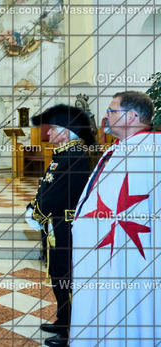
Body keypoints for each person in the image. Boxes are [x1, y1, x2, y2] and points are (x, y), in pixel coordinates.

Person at [70, 91, 161, 346]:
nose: (106, 116)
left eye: (112, 111)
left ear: (131, 116)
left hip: (130, 255)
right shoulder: (121, 149)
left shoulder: (150, 152)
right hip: (108, 254)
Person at [25, 104, 95, 347]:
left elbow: (58, 194)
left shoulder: (74, 157)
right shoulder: (64, 155)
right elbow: (47, 186)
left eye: (53, 129)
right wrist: (34, 205)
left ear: (65, 132)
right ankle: (63, 319)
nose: (48, 133)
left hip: (64, 226)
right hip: (55, 223)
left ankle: (70, 331)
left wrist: (36, 212)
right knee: (57, 275)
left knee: (66, 277)